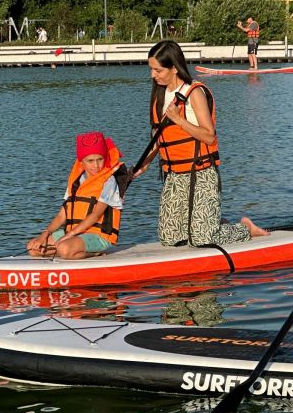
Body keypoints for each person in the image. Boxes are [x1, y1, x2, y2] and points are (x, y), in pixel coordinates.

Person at [132, 40, 268, 247]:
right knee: (170, 239)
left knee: (202, 239)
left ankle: (244, 228)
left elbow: (209, 136)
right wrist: (144, 164)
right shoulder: (159, 94)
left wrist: (179, 119)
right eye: (151, 69)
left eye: (158, 70)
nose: (153, 75)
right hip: (174, 175)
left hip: (202, 172)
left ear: (174, 68)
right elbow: (159, 138)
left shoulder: (194, 93)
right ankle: (212, 223)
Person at [27, 131, 128, 259]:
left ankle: (93, 252)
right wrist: (45, 235)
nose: (96, 165)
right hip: (74, 233)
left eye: (100, 159)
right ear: (81, 161)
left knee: (63, 248)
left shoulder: (109, 181)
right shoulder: (76, 181)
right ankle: (69, 250)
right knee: (33, 248)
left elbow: (96, 215)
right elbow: (62, 215)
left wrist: (67, 237)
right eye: (90, 161)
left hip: (99, 235)